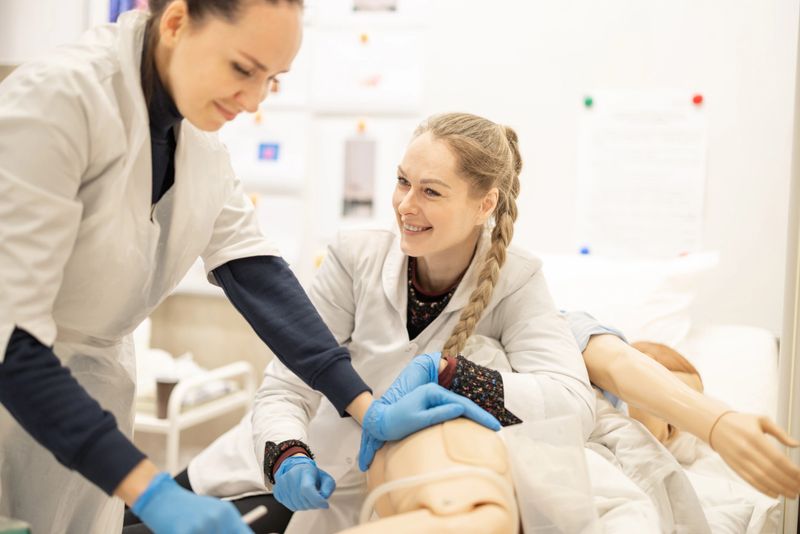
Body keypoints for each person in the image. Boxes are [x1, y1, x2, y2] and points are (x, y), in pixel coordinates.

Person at [0, 3, 498, 533]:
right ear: (174, 22)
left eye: (273, 80)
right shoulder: (58, 101)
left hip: (91, 403)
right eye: (242, 69)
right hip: (24, 393)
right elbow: (8, 338)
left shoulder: (197, 141)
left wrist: (364, 405)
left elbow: (255, 270)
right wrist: (152, 490)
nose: (256, 100)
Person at [170, 112, 596, 534]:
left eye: (431, 191)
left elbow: (573, 405)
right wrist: (287, 454)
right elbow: (287, 385)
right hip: (272, 466)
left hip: (359, 498)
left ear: (485, 204)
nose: (406, 205)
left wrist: (452, 374)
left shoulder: (515, 280)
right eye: (402, 181)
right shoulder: (355, 257)